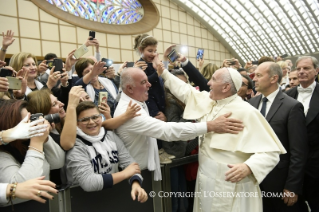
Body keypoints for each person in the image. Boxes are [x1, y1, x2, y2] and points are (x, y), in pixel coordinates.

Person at [158, 57, 286, 211]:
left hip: (233, 185)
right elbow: (185, 91)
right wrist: (163, 72)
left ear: (225, 87)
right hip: (205, 180)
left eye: (213, 79)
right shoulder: (209, 101)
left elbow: (271, 152)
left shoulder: (247, 111)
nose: (208, 83)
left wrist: (249, 166)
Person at [114, 65, 244, 181]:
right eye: (144, 82)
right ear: (130, 88)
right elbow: (167, 131)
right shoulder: (129, 110)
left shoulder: (136, 101)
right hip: (137, 174)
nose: (149, 84)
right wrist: (210, 126)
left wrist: (165, 72)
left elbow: (186, 91)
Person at [249, 62, 308, 211]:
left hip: (279, 180)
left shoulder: (292, 106)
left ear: (273, 78)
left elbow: (298, 151)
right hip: (252, 177)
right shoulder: (251, 103)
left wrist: (292, 186)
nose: (254, 79)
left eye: (259, 75)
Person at [65, 101, 148, 203]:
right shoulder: (76, 147)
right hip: (82, 202)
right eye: (85, 119)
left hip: (112, 197)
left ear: (101, 118)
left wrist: (136, 183)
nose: (91, 122)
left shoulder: (110, 136)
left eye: (95, 117)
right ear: (77, 124)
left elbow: (130, 165)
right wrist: (125, 174)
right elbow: (89, 183)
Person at [0, 99, 65, 206]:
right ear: (10, 125)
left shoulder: (26, 142)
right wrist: (37, 143)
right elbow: (25, 188)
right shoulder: (2, 154)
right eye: (26, 122)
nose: (31, 125)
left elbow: (58, 162)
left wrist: (45, 139)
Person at [285, 56, 319, 211]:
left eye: (306, 68)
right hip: (293, 166)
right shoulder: (287, 96)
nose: (301, 72)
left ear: (316, 71)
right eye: (298, 69)